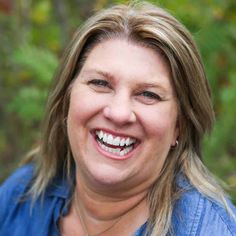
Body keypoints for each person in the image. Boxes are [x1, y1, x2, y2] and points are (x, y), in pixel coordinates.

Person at [0, 2, 236, 236]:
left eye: (148, 94)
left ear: (179, 126)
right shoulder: (20, 195)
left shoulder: (211, 230)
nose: (119, 113)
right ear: (67, 99)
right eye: (100, 83)